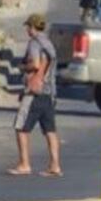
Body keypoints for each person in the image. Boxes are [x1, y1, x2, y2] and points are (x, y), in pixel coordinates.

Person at [8, 13, 61, 177]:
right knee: (50, 131)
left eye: (28, 27)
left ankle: (24, 164)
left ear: (32, 27)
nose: (27, 30)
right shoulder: (49, 44)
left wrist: (23, 68)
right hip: (49, 93)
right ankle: (55, 166)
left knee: (21, 128)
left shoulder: (34, 43)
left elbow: (36, 64)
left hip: (35, 92)